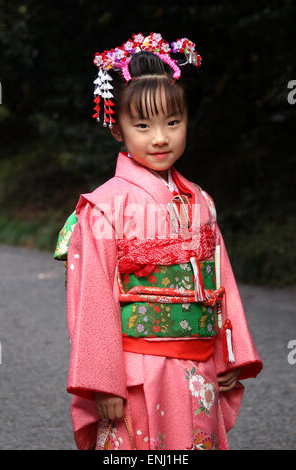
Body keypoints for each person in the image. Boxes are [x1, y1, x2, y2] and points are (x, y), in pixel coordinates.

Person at [54, 32, 263, 450]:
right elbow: (92, 300)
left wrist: (229, 353)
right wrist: (104, 383)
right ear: (117, 130)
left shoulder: (200, 201)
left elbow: (220, 283)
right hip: (135, 370)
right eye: (143, 125)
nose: (160, 138)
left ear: (187, 120)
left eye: (173, 121)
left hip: (200, 363)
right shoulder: (104, 207)